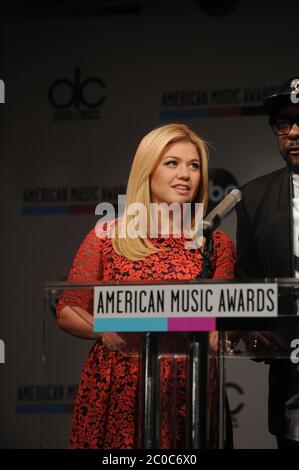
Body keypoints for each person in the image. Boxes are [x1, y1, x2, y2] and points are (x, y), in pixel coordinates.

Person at [56, 123, 236, 449]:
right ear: (147, 170)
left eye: (194, 166)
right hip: (119, 385)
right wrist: (102, 330)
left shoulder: (216, 244)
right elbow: (67, 308)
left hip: (190, 385)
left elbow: (220, 321)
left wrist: (219, 333)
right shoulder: (107, 236)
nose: (185, 174)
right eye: (172, 163)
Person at [236, 76, 299, 449]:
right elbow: (248, 277)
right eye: (283, 123)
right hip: (290, 369)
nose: (293, 132)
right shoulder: (253, 196)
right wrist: (254, 328)